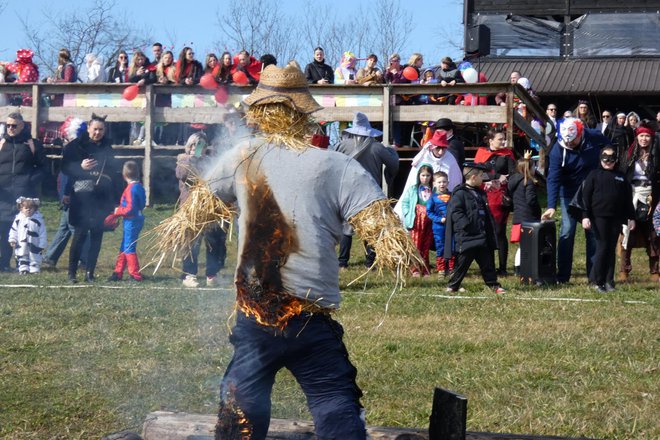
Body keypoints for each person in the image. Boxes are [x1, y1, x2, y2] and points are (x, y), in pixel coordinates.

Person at [207, 61, 412, 440]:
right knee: (334, 398)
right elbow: (384, 230)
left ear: (259, 112)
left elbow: (197, 206)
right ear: (303, 111)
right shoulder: (337, 165)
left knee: (242, 406)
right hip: (309, 315)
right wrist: (395, 251)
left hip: (258, 313)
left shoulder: (243, 155)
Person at [541, 117, 612, 283]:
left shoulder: (593, 135)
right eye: (568, 142)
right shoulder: (558, 150)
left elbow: (609, 146)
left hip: (593, 193)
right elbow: (553, 178)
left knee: (593, 233)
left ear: (580, 133)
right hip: (569, 194)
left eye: (574, 141)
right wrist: (551, 205)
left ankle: (594, 276)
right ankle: (563, 276)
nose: (571, 144)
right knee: (567, 231)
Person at [330, 112, 399, 269]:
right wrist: (392, 152)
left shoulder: (342, 145)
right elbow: (393, 164)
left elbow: (329, 160)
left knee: (346, 226)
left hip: (347, 191)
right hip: (369, 192)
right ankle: (370, 262)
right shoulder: (378, 147)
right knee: (371, 226)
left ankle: (342, 262)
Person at [62, 114, 118, 283]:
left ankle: (89, 273)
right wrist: (80, 167)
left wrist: (115, 200)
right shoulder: (75, 146)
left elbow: (113, 174)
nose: (97, 133)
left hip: (101, 197)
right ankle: (72, 273)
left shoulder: (108, 148)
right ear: (88, 128)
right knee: (79, 236)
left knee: (96, 236)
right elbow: (64, 168)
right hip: (81, 196)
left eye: (101, 129)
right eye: (95, 129)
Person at [444, 162, 506, 294]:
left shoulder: (479, 193)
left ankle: (493, 284)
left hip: (481, 236)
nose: (483, 178)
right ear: (473, 178)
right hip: (467, 237)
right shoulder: (460, 194)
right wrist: (466, 224)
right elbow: (456, 212)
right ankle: (453, 285)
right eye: (481, 175)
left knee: (487, 263)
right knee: (462, 263)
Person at [176, 133, 227, 288]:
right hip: (190, 209)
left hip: (209, 208)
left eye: (201, 145)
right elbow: (184, 175)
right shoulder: (183, 160)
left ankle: (212, 274)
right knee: (192, 243)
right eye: (194, 145)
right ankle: (189, 275)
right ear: (189, 146)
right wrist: (193, 158)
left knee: (213, 242)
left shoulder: (210, 162)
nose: (197, 148)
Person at [581, 147, 636, 292]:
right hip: (599, 217)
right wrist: (585, 216)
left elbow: (627, 199)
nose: (608, 161)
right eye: (605, 158)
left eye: (611, 158)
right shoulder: (594, 175)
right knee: (602, 248)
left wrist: (631, 217)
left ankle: (609, 281)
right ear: (600, 159)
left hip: (616, 217)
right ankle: (597, 282)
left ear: (615, 160)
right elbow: (585, 198)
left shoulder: (621, 177)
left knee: (611, 249)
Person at [0, 112, 46, 272]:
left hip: (24, 195)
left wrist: (30, 181)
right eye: (8, 125)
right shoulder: (2, 143)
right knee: (4, 228)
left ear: (22, 126)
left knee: (25, 231)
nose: (10, 128)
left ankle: (25, 263)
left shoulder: (32, 144)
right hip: (3, 194)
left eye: (14, 125)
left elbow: (42, 167)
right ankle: (4, 263)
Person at [619, 123, 660, 282]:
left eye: (647, 136)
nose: (644, 139)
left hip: (651, 196)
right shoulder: (629, 154)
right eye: (641, 135)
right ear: (637, 137)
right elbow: (623, 175)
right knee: (627, 232)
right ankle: (624, 270)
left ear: (651, 138)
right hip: (632, 195)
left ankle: (654, 271)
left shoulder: (657, 154)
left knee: (653, 234)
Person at [474, 127, 516, 275]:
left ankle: (502, 267)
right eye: (500, 139)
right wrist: (496, 176)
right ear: (491, 141)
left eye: (503, 138)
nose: (503, 141)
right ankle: (489, 265)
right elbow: (477, 172)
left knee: (499, 231)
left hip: (499, 197)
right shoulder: (482, 153)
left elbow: (512, 174)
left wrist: (499, 178)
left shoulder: (507, 154)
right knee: (487, 231)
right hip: (484, 195)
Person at [107, 161, 146, 282]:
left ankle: (135, 275)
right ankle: (118, 272)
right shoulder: (139, 186)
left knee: (129, 247)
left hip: (131, 220)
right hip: (137, 218)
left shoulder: (130, 189)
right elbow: (142, 204)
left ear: (124, 175)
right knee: (125, 245)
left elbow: (129, 208)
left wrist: (117, 211)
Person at [507, 152, 541, 275]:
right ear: (530, 168)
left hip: (518, 217)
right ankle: (521, 268)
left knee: (522, 246)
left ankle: (518, 267)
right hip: (528, 219)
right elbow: (531, 200)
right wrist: (538, 211)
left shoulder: (514, 182)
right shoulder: (529, 182)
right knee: (528, 246)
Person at [401, 164, 434, 276]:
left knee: (426, 245)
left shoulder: (433, 190)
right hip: (416, 221)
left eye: (428, 175)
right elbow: (405, 203)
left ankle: (425, 268)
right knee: (416, 244)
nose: (425, 178)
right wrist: (407, 213)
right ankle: (415, 268)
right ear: (419, 175)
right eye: (423, 175)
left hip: (429, 221)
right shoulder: (413, 189)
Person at [9, 197, 47, 274]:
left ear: (35, 209)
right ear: (21, 209)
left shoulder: (38, 220)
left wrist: (42, 243)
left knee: (34, 255)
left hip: (35, 242)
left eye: (31, 208)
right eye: (26, 208)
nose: (28, 210)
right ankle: (23, 269)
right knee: (22, 255)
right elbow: (13, 230)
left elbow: (43, 232)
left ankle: (34, 269)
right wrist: (12, 239)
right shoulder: (18, 220)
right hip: (21, 243)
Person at [426, 171, 453, 276]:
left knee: (452, 245)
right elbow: (429, 212)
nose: (442, 184)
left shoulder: (452, 195)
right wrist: (439, 219)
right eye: (439, 182)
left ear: (448, 182)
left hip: (451, 226)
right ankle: (441, 269)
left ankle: (451, 268)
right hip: (438, 227)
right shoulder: (432, 198)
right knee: (440, 246)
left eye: (444, 182)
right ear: (434, 183)